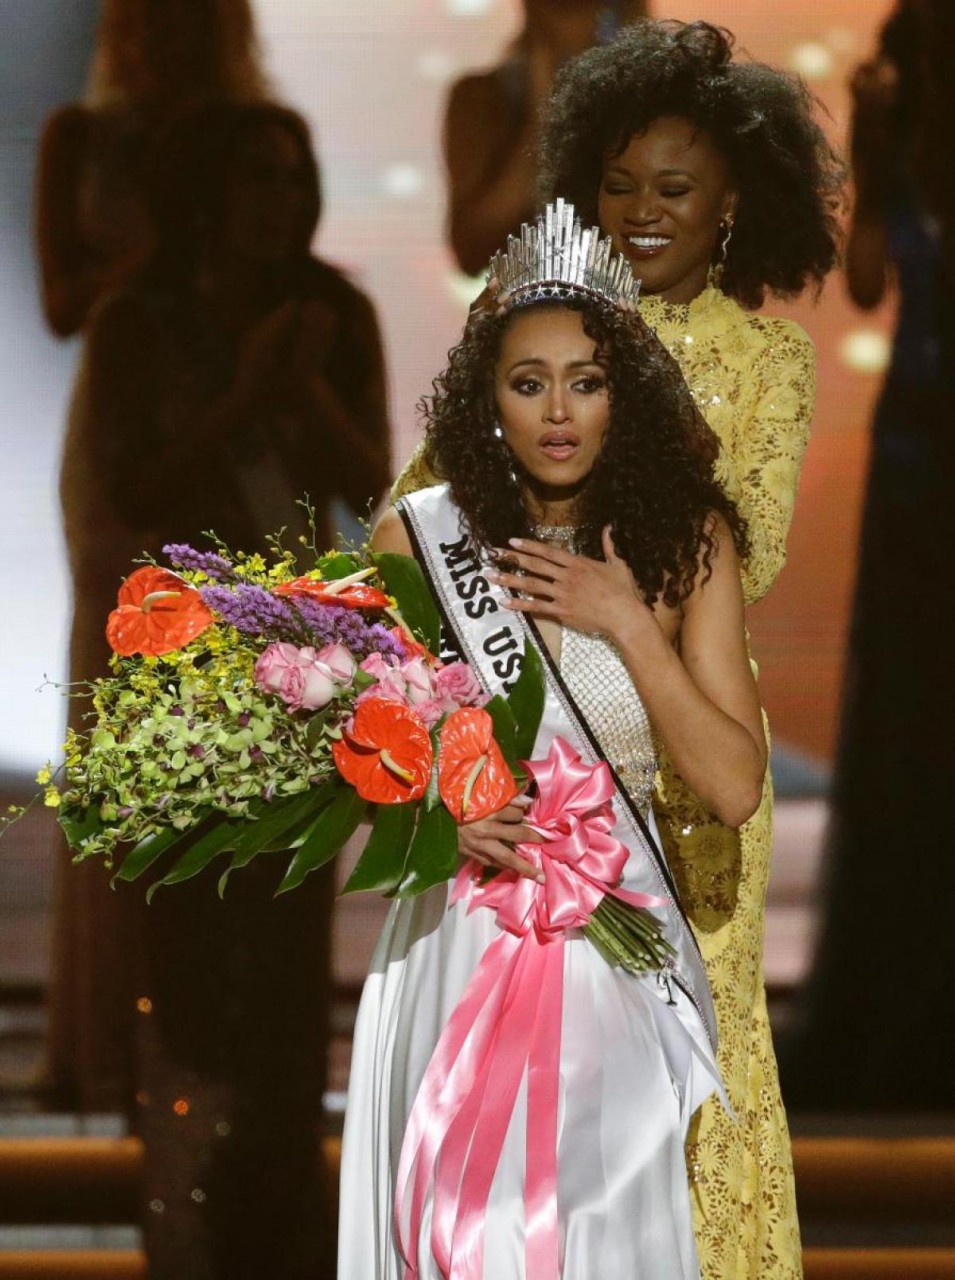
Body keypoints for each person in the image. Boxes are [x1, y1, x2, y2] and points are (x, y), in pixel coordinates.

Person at [394, 20, 844, 1278]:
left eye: (675, 188)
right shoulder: (525, 319)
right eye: (619, 183)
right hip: (520, 729)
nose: (642, 211)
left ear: (734, 202)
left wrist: (614, 576)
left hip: (676, 739)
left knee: (695, 1054)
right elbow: (407, 526)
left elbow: (742, 555)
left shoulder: (768, 360)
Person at [339, 207, 767, 1278]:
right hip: (456, 938)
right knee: (457, 1231)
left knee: (590, 1232)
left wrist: (627, 620)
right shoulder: (424, 537)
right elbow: (353, 757)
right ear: (487, 401)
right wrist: (440, 804)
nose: (559, 409)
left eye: (586, 378)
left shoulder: (685, 545)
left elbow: (730, 787)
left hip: (612, 953)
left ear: (627, 391)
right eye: (528, 382)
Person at [57, 101, 389, 1278]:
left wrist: (301, 393)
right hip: (177, 682)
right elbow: (127, 490)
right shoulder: (141, 324)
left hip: (297, 675)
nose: (280, 201)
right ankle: (187, 1236)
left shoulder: (332, 313)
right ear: (206, 190)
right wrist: (242, 397)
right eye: (256, 177)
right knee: (191, 977)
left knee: (288, 979)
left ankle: (281, 1235)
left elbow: (379, 488)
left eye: (295, 177)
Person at [782, 0, 955, 1108]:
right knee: (908, 702)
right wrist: (884, 158)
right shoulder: (895, 107)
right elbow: (863, 279)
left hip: (925, 422)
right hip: (924, 429)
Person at [35, 0, 268, 339]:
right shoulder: (75, 136)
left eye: (173, 18)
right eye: (139, 18)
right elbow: (60, 312)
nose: (151, 36)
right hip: (124, 372)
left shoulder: (259, 138)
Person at [443, 0, 647, 275]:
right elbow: (472, 247)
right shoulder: (483, 98)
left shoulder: (657, 101)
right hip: (533, 305)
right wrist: (543, 119)